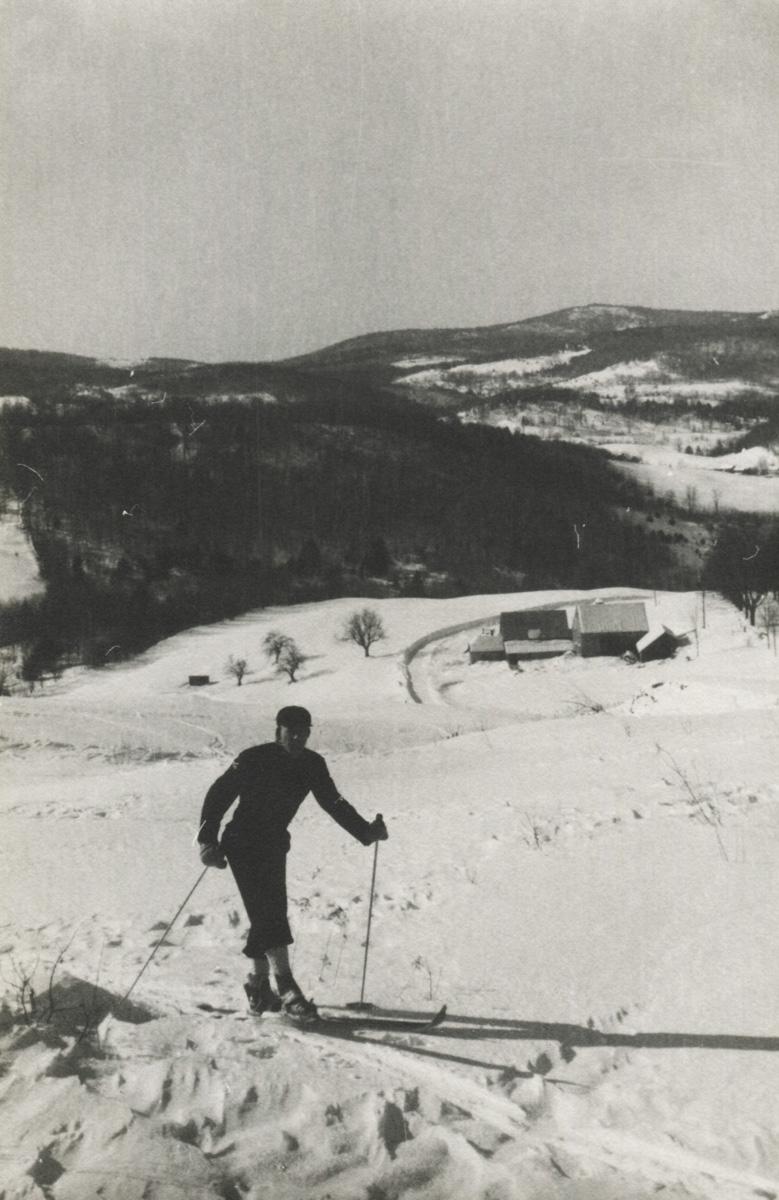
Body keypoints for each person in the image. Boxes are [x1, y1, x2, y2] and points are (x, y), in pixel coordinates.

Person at [198, 705, 387, 1023]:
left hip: (273, 846)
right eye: (291, 731)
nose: (297, 738)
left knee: (267, 912)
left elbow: (333, 802)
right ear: (278, 730)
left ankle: (258, 986)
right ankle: (287, 988)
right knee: (268, 912)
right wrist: (207, 841)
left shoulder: (313, 764)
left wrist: (365, 831)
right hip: (242, 844)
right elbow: (218, 794)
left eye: (304, 732)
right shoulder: (253, 758)